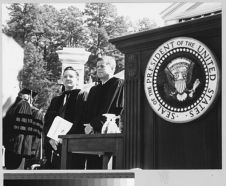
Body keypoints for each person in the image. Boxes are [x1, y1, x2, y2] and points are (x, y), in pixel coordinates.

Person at [83, 55, 124, 169]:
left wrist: (93, 125)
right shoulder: (94, 89)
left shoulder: (118, 84)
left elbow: (110, 109)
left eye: (102, 66)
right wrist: (87, 125)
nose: (99, 69)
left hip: (109, 133)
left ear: (112, 68)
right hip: (91, 134)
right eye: (97, 67)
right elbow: (88, 112)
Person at [43, 66, 85, 169]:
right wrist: (50, 138)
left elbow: (81, 119)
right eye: (65, 76)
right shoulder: (56, 99)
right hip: (54, 144)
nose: (68, 78)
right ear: (62, 79)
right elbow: (48, 121)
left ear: (77, 79)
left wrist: (65, 137)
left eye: (71, 76)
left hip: (73, 144)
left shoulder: (82, 96)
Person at [3, 88, 42, 169]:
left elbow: (35, 133)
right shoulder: (20, 106)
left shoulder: (36, 112)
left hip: (20, 148)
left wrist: (32, 151)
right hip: (18, 148)